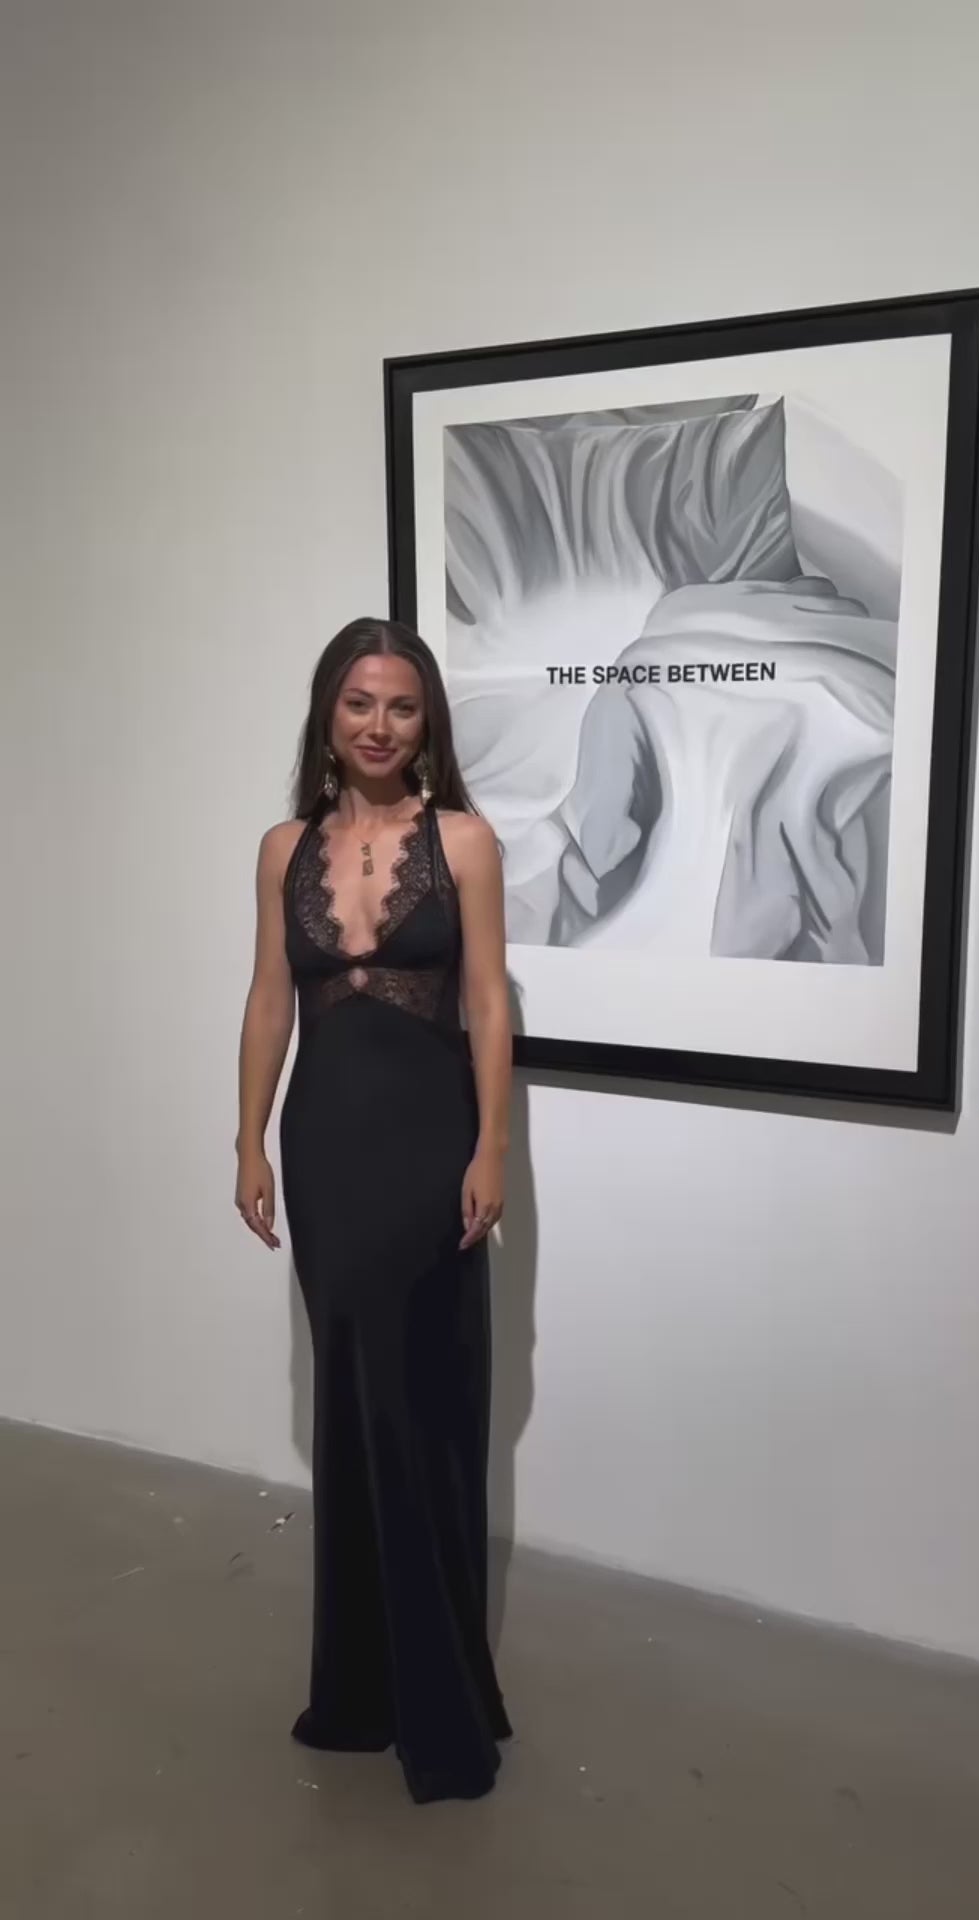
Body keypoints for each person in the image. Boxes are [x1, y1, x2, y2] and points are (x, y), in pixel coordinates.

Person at [235, 616, 513, 1804]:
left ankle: (439, 1701)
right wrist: (246, 1138)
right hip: (325, 1152)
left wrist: (492, 1145)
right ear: (328, 714)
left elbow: (489, 1002)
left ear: (427, 720)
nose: (380, 726)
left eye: (402, 706)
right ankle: (358, 1691)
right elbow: (269, 1000)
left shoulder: (466, 842)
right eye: (360, 703)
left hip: (429, 1145)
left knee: (420, 1403)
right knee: (353, 1398)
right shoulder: (282, 848)